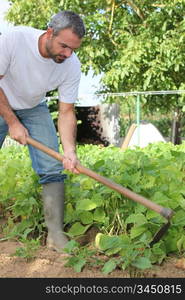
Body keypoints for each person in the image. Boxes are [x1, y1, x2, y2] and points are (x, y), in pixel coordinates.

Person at [0, 11, 86, 251]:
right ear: (49, 33)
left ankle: (55, 235)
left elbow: (67, 111)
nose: (67, 54)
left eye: (73, 49)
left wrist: (69, 150)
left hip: (32, 106)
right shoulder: (13, 39)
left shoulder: (70, 65)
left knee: (52, 165)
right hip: (1, 99)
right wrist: (12, 122)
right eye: (64, 46)